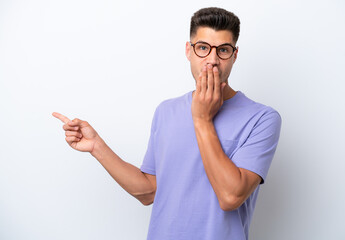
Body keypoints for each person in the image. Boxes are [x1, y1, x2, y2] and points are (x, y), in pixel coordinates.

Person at [53, 7, 281, 240]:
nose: (212, 60)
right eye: (203, 48)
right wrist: (97, 147)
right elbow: (148, 191)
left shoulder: (262, 118)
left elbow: (230, 197)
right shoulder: (166, 111)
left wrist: (202, 119)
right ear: (188, 51)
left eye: (223, 50)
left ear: (234, 55)